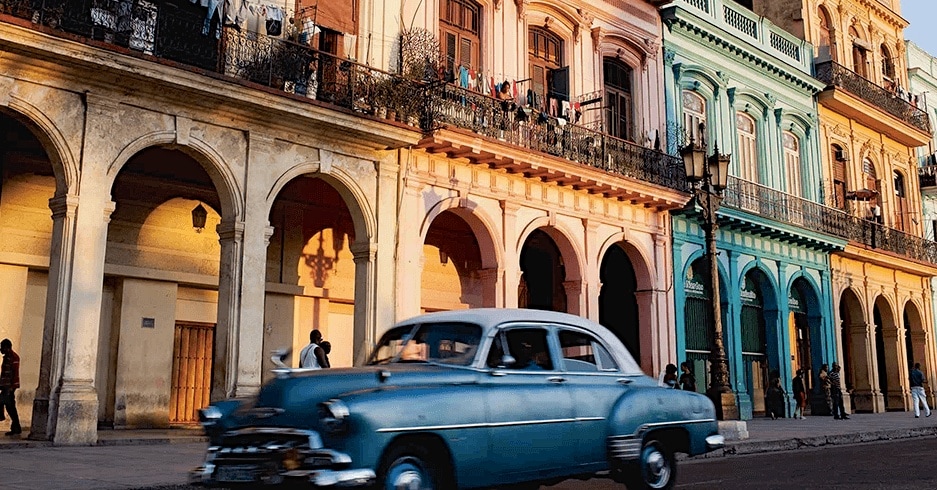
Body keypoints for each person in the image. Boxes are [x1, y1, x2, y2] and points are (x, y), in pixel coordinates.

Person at [0, 339, 21, 436]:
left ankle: (14, 425)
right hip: (5, 386)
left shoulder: (13, 357)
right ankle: (16, 427)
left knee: (8, 405)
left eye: (2, 347)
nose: (1, 349)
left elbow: (14, 373)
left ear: (7, 347)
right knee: (10, 407)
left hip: (9, 387)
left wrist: (12, 387)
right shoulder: (7, 357)